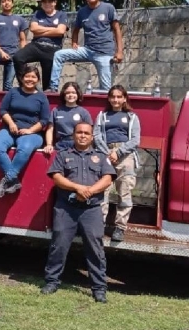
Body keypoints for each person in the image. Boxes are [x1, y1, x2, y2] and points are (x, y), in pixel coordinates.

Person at [42, 122, 116, 303]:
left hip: (91, 210)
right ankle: (52, 281)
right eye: (79, 132)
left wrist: (88, 191)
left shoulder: (100, 156)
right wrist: (77, 188)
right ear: (74, 135)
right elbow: (57, 177)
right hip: (66, 209)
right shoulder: (63, 155)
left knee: (95, 248)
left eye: (86, 133)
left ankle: (99, 288)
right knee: (58, 245)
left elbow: (107, 179)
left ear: (92, 137)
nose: (83, 136)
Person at [49, 0, 123, 92]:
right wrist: (74, 42)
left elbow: (117, 30)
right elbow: (76, 29)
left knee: (106, 90)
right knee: (59, 55)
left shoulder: (108, 8)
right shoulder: (82, 12)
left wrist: (119, 52)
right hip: (87, 50)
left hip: (104, 53)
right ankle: (53, 88)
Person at [0, 66, 50, 198]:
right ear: (22, 78)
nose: (30, 79)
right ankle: (14, 181)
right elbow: (2, 110)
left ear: (38, 79)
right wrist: (11, 123)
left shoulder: (42, 97)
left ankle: (7, 179)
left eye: (33, 77)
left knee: (24, 148)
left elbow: (45, 120)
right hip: (10, 129)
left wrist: (30, 130)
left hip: (32, 133)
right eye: (27, 76)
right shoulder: (13, 92)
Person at [93, 85, 140, 242]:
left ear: (124, 98)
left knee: (124, 191)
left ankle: (120, 227)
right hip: (105, 153)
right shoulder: (102, 115)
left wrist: (118, 152)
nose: (116, 99)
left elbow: (135, 140)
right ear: (108, 98)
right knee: (102, 190)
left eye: (119, 96)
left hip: (125, 155)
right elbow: (96, 135)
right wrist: (107, 151)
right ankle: (99, 225)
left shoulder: (131, 117)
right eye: (113, 96)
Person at [12, 0, 68, 92]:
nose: (47, 4)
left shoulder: (62, 14)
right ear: (41, 4)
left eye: (50, 1)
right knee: (18, 57)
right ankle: (25, 86)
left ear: (55, 2)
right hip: (36, 45)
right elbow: (33, 28)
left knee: (48, 84)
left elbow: (61, 31)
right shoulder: (38, 14)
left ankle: (46, 95)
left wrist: (41, 31)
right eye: (44, 2)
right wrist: (53, 30)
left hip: (53, 47)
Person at [43, 82, 93, 153]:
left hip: (78, 145)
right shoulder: (56, 111)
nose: (71, 95)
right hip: (61, 145)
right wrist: (49, 144)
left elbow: (89, 132)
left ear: (78, 94)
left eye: (73, 92)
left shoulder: (83, 112)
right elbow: (50, 130)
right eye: (68, 93)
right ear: (64, 95)